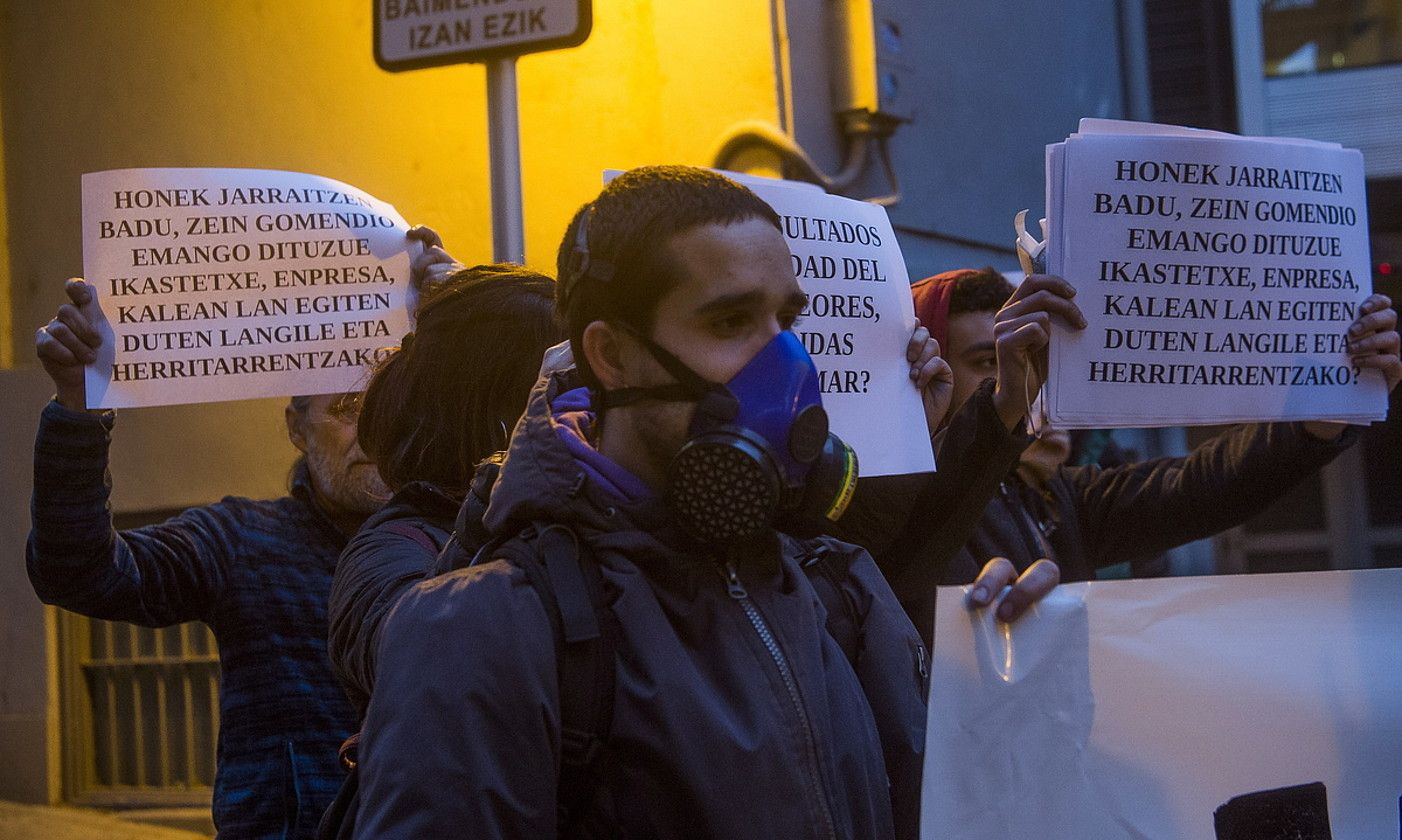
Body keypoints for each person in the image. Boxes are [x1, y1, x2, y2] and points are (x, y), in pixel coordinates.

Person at [352, 166, 1055, 840]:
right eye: (729, 323)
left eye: (786, 319)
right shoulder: (483, 628)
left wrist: (990, 705)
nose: (786, 364)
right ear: (613, 356)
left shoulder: (838, 590)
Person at [28, 281, 390, 839]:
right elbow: (80, 572)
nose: (372, 431)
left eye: (389, 408)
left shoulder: (461, 543)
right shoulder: (246, 539)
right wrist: (78, 405)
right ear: (296, 427)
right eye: (346, 408)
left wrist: (471, 320)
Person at [901, 266, 1402, 616]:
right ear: (927, 370)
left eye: (1027, 361)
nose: (1021, 382)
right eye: (987, 361)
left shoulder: (1049, 499)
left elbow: (1199, 488)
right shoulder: (888, 510)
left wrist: (1320, 417)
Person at [328, 264, 564, 716]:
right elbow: (413, 654)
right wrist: (505, 490)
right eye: (563, 388)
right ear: (513, 410)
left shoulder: (584, 510)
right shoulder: (390, 547)